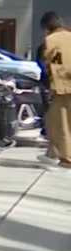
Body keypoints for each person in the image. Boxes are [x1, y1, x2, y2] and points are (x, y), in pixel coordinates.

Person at [39, 12, 71, 170]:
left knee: (60, 124)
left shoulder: (51, 40)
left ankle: (67, 158)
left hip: (62, 87)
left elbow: (52, 64)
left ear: (47, 27)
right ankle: (52, 153)